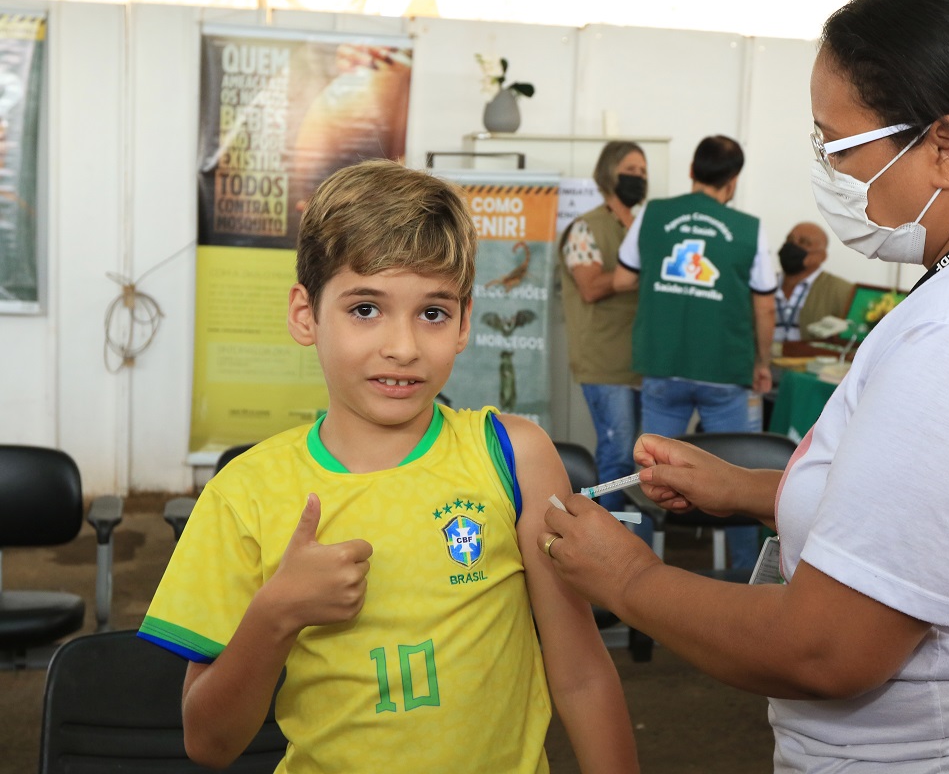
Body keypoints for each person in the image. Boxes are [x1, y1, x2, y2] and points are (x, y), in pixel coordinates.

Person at [540, 0, 949, 771]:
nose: (827, 171)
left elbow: (828, 649)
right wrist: (754, 491)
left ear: (947, 148)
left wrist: (629, 576)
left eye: (836, 146)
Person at [138, 161, 638, 772]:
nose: (402, 347)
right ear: (305, 314)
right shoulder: (245, 494)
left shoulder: (515, 456)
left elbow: (582, 676)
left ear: (463, 322)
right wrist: (277, 614)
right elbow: (208, 743)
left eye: (432, 313)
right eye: (366, 309)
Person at [613, 134, 776, 570]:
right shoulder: (749, 230)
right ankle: (747, 578)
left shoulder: (651, 215)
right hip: (725, 372)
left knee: (650, 476)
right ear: (734, 180)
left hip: (663, 367)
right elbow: (764, 304)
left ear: (691, 170)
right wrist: (762, 363)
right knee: (739, 481)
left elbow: (621, 281)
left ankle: (636, 572)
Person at [559, 141, 651, 543]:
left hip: (644, 363)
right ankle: (605, 549)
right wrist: (631, 275)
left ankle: (638, 551)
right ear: (609, 174)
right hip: (605, 363)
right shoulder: (585, 227)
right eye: (631, 168)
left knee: (641, 462)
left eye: (644, 171)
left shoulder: (642, 228)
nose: (639, 177)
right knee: (615, 459)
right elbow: (591, 286)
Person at [773, 222, 854, 348]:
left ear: (821, 256)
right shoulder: (763, 284)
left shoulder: (843, 291)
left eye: (804, 243)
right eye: (790, 240)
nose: (793, 246)